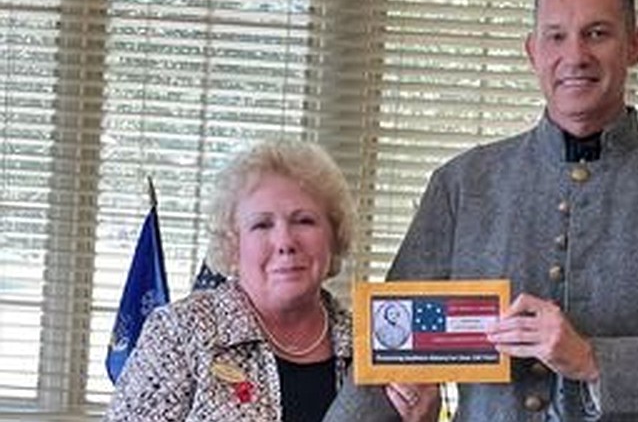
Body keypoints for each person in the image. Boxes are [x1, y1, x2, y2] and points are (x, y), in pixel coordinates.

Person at [324, 0, 638, 421]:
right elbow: (392, 354)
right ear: (532, 51)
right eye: (556, 36)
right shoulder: (461, 186)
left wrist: (595, 361)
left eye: (597, 34)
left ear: (636, 45)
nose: (574, 56)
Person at [104, 140, 440, 422]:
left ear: (334, 237)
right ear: (233, 245)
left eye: (304, 221)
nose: (285, 241)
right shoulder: (181, 333)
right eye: (262, 225)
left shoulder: (372, 347)